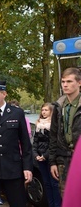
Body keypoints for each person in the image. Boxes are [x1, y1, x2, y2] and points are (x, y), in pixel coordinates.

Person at [49, 67, 81, 197]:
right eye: (63, 82)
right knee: (67, 197)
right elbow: (53, 135)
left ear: (79, 83)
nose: (65, 85)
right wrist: (52, 162)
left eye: (69, 81)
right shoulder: (58, 106)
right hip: (64, 159)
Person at [33, 103, 62, 207]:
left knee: (54, 184)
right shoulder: (38, 124)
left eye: (46, 110)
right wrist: (36, 154)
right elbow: (35, 142)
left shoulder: (54, 125)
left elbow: (53, 143)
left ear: (51, 112)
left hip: (50, 157)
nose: (44, 112)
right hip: (40, 158)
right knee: (46, 183)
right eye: (42, 110)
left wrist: (45, 155)